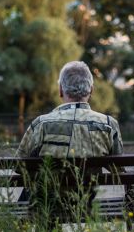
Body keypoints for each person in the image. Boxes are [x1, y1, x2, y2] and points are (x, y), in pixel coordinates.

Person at [17, 61, 123, 223]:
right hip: (84, 202)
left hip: (47, 205)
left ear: (60, 90)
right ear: (91, 90)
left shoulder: (41, 124)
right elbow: (118, 171)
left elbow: (19, 166)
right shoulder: (108, 125)